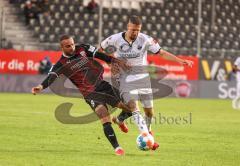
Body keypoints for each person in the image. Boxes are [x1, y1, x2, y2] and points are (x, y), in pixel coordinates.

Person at [100, 15, 193, 150]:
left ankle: (121, 121)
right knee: (133, 106)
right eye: (133, 30)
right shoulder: (115, 39)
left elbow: (161, 52)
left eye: (138, 30)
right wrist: (111, 61)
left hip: (142, 78)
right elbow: (100, 49)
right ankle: (148, 138)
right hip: (123, 77)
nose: (135, 33)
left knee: (149, 113)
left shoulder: (145, 39)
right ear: (128, 27)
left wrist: (180, 60)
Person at [32, 35, 133, 155]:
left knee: (130, 107)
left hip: (102, 85)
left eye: (72, 44)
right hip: (90, 93)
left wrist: (115, 62)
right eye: (68, 46)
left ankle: (120, 120)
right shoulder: (61, 64)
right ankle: (117, 148)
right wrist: (41, 87)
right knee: (104, 115)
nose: (72, 47)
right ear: (62, 47)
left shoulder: (83, 49)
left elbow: (101, 55)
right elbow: (51, 77)